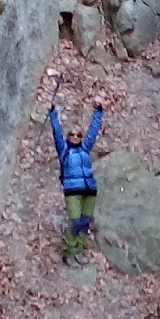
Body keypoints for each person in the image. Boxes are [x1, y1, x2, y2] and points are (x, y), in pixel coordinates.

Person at [50, 99, 103, 262]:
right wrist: (53, 114)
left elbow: (93, 131)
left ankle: (79, 249)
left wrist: (99, 112)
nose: (75, 137)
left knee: (85, 222)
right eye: (71, 134)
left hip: (89, 190)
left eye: (78, 135)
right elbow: (57, 132)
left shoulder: (85, 148)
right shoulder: (64, 150)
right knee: (75, 221)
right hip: (72, 191)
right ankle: (69, 253)